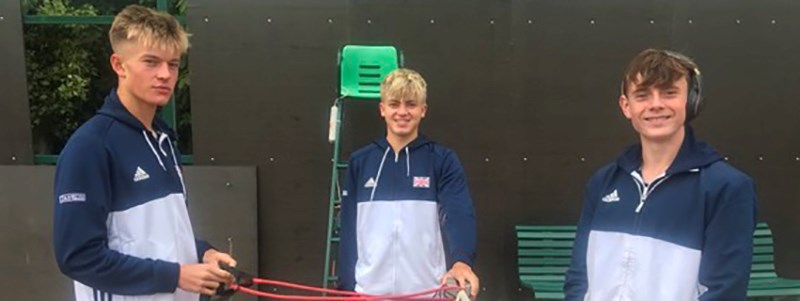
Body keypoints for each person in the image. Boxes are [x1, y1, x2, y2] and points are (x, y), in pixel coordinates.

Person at [53, 5, 236, 301]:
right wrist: (176, 276)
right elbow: (77, 257)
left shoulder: (163, 140)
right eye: (151, 62)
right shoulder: (90, 147)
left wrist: (204, 254)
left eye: (173, 64)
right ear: (119, 64)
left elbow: (157, 236)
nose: (165, 74)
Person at [564, 49, 758, 301]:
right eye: (643, 95)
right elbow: (579, 278)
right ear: (626, 106)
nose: (656, 104)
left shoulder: (727, 188)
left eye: (669, 93)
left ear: (690, 100)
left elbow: (725, 291)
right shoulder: (603, 182)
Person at [336, 68, 480, 298]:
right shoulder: (360, 162)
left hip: (426, 293)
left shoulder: (442, 160)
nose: (402, 112)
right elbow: (349, 231)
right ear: (382, 109)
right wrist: (345, 290)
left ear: (423, 110)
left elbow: (459, 213)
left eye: (411, 104)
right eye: (394, 104)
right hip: (369, 294)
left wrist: (462, 261)